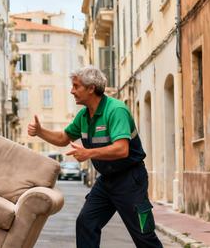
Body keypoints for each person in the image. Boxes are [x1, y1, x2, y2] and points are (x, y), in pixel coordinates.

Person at [27, 66, 163, 248]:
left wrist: (88, 153)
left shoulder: (116, 110)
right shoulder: (84, 116)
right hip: (106, 181)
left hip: (130, 180)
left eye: (76, 86)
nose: (72, 91)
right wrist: (40, 132)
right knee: (86, 223)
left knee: (143, 236)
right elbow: (63, 138)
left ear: (91, 88)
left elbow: (122, 149)